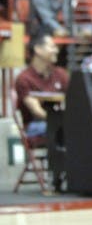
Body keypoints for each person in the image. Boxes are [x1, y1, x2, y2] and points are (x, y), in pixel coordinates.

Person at [14, 33, 69, 190]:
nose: (56, 50)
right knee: (62, 129)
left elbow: (73, 100)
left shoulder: (61, 74)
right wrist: (61, 121)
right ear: (38, 49)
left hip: (60, 122)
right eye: (52, 46)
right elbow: (36, 111)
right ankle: (57, 176)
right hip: (34, 126)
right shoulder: (24, 78)